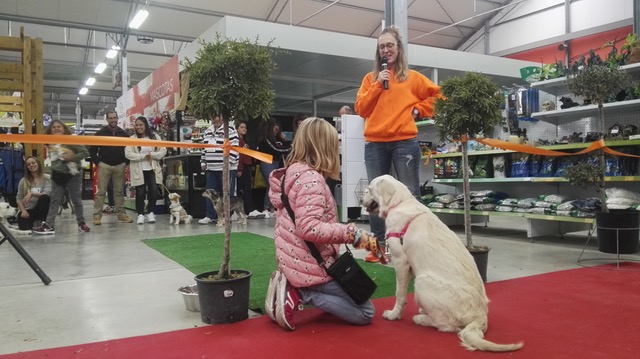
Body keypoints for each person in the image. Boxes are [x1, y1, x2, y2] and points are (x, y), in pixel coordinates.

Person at [266, 117, 375, 331]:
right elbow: (309, 228)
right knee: (365, 312)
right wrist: (349, 232)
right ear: (325, 146)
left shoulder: (292, 173)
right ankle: (302, 293)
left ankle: (295, 286)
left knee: (356, 293)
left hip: (297, 258)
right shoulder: (312, 180)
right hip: (310, 264)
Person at [354, 25, 442, 263]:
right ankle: (378, 248)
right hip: (375, 144)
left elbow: (439, 96)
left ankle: (417, 246)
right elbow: (361, 109)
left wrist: (419, 109)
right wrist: (376, 85)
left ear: (399, 49)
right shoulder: (370, 79)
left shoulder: (412, 78)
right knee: (374, 197)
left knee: (411, 194)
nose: (385, 50)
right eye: (381, 47)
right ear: (378, 52)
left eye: (389, 45)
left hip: (404, 143)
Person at [33, 119, 91, 235]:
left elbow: (84, 153)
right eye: (53, 127)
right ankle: (49, 225)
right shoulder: (49, 143)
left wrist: (70, 157)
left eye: (59, 126)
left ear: (64, 129)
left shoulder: (71, 140)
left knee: (76, 200)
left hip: (73, 174)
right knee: (54, 201)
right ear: (50, 130)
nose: (56, 128)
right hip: (58, 175)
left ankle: (81, 224)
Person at [89, 110, 133, 225]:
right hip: (105, 165)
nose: (113, 120)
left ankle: (121, 214)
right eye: (111, 118)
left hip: (120, 165)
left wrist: (125, 162)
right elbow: (92, 150)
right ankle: (97, 216)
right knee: (101, 192)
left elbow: (130, 148)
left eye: (115, 118)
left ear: (117, 118)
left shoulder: (123, 134)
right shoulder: (100, 133)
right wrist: (98, 163)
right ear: (107, 119)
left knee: (119, 192)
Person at [125, 116, 167, 225]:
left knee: (153, 191)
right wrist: (143, 157)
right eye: (137, 125)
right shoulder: (132, 139)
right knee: (140, 192)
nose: (139, 127)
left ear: (145, 125)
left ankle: (151, 212)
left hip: (152, 169)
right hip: (138, 169)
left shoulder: (154, 137)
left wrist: (152, 155)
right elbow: (128, 154)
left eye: (141, 125)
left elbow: (163, 151)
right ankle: (140, 214)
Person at [198, 114, 239, 224]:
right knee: (210, 193)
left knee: (227, 194)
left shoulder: (231, 130)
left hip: (227, 168)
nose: (214, 119)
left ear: (222, 117)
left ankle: (227, 217)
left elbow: (235, 148)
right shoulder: (207, 131)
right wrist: (203, 161)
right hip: (211, 168)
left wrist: (228, 163)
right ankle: (210, 215)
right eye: (212, 117)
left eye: (217, 116)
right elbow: (204, 148)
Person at [256, 118, 291, 218]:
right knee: (271, 185)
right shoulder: (265, 140)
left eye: (277, 130)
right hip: (267, 162)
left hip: (275, 163)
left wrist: (286, 141)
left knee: (274, 186)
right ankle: (265, 208)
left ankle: (272, 209)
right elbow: (276, 150)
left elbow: (281, 147)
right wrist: (291, 148)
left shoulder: (276, 140)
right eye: (274, 129)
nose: (276, 131)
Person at [16, 156, 52, 231]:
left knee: (44, 198)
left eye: (33, 163)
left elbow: (47, 194)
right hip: (28, 209)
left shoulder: (47, 179)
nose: (31, 165)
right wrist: (23, 211)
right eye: (28, 164)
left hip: (41, 208)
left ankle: (44, 224)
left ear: (38, 164)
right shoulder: (23, 181)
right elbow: (19, 198)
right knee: (24, 228)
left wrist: (32, 193)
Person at [236, 120, 254, 215]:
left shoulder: (243, 140)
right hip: (242, 167)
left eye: (245, 128)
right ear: (237, 129)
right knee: (243, 190)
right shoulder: (237, 141)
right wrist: (240, 169)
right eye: (242, 127)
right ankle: (246, 210)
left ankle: (248, 210)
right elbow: (239, 155)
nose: (244, 129)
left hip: (246, 167)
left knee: (247, 189)